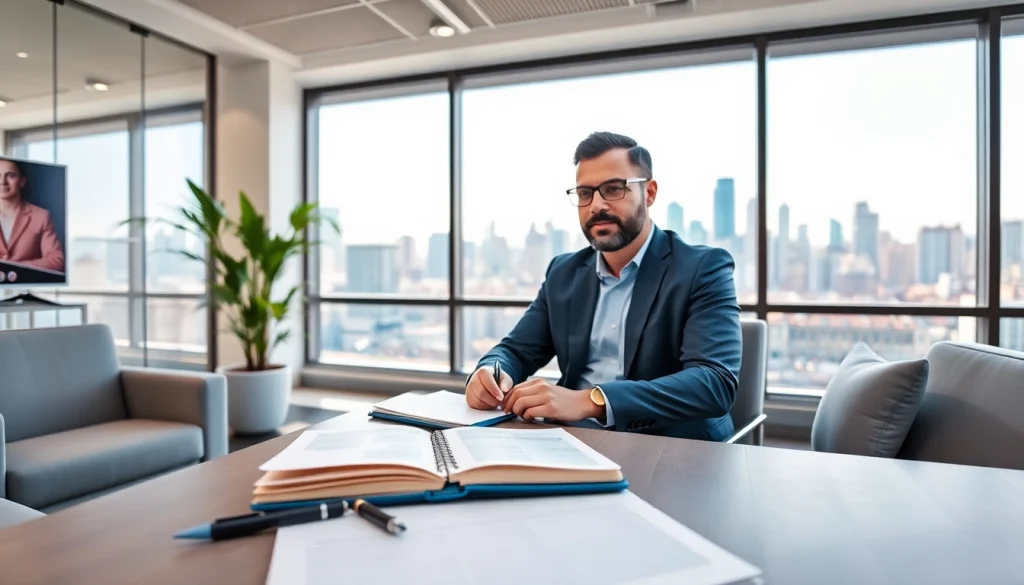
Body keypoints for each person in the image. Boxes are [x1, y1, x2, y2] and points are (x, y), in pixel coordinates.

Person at [465, 131, 742, 441]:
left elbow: (714, 383)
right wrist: (491, 372)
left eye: (613, 189)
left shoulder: (702, 268)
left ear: (649, 193)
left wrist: (591, 401)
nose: (596, 205)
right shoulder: (563, 272)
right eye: (585, 193)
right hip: (569, 439)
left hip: (668, 445)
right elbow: (516, 350)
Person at [0, 158, 65, 273]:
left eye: (11, 176)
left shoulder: (41, 216)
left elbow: (56, 260)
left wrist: (16, 267)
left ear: (22, 181)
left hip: (25, 281)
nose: (2, 182)